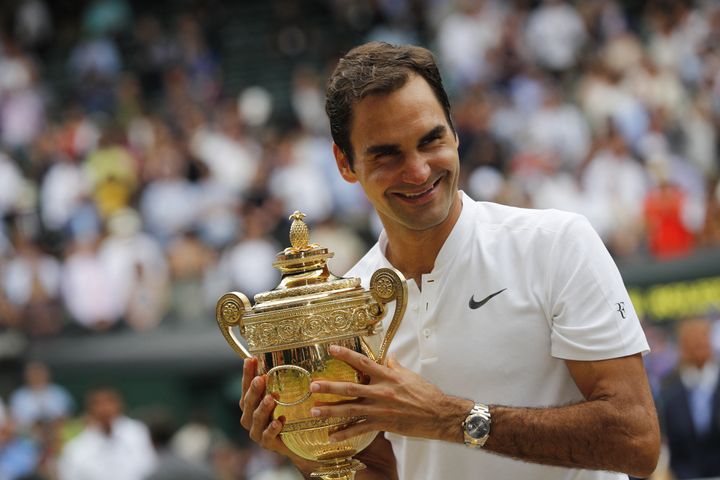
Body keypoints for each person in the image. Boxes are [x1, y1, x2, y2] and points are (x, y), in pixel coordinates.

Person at [239, 42, 660, 479]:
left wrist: (447, 417)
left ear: (455, 133)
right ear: (345, 163)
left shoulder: (556, 243)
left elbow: (636, 441)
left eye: (431, 140)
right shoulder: (345, 305)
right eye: (388, 154)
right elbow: (388, 472)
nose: (419, 171)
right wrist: (310, 452)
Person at [659, 317, 720, 479]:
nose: (698, 346)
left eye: (702, 339)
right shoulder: (669, 389)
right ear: (682, 347)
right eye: (691, 341)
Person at [57, 388, 156, 480]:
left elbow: (149, 466)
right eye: (97, 403)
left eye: (110, 401)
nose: (104, 408)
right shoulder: (76, 447)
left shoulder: (138, 432)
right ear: (89, 409)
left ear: (120, 404)